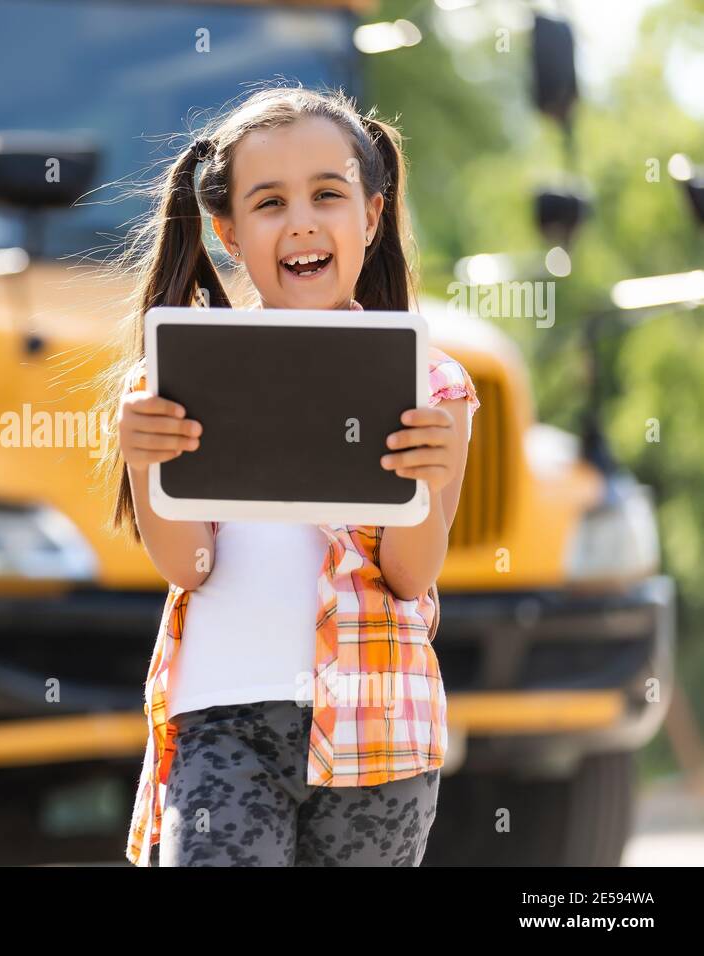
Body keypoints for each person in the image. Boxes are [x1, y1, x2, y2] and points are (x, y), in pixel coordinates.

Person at [97, 84, 482, 866]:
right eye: (269, 202)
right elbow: (188, 564)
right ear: (227, 232)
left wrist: (424, 482)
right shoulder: (178, 379)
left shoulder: (434, 388)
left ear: (371, 217)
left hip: (380, 727)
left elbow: (411, 578)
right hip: (222, 723)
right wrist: (144, 463)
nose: (302, 221)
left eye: (328, 195)